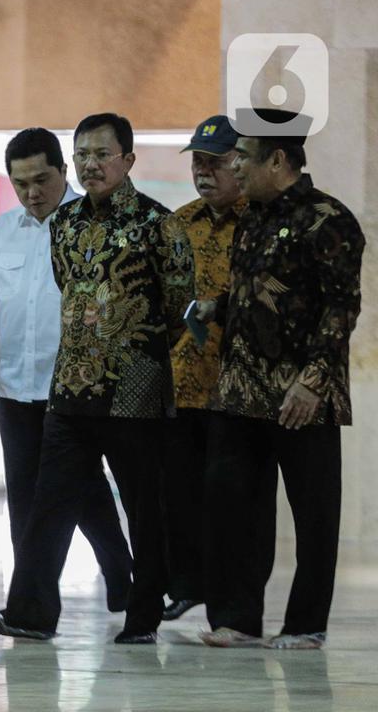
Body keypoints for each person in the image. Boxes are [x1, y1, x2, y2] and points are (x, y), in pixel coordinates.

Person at [0, 112, 195, 644]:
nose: (90, 164)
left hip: (135, 391)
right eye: (82, 155)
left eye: (102, 154)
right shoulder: (67, 223)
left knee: (143, 507)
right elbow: (69, 286)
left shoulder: (159, 225)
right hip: (71, 389)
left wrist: (135, 349)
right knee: (48, 504)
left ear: (128, 159)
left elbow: (178, 306)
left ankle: (142, 617)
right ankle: (30, 613)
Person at [196, 108, 365, 650]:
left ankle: (306, 625)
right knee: (235, 510)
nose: (233, 166)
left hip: (301, 395)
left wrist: (313, 382)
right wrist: (216, 307)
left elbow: (341, 308)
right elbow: (258, 291)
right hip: (241, 391)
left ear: (277, 160)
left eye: (242, 157)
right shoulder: (253, 217)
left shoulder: (328, 220)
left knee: (314, 515)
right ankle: (238, 619)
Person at [0, 127, 132, 611]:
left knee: (76, 494)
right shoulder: (2, 231)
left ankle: (104, 580)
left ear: (63, 171)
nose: (32, 193)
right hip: (14, 388)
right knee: (28, 499)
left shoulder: (92, 226)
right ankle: (43, 600)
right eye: (20, 183)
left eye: (41, 180)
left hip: (74, 389)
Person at [159, 114, 265, 622]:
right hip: (182, 385)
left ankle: (233, 606)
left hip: (239, 389)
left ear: (240, 163)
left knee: (236, 506)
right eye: (197, 163)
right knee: (178, 496)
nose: (203, 172)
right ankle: (186, 584)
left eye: (214, 163)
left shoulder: (261, 223)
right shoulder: (179, 223)